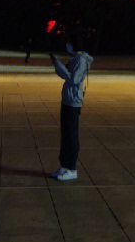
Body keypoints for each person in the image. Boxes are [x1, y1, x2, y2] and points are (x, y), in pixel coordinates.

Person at [49, 38, 93, 181]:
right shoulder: (76, 58)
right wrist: (60, 63)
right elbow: (67, 73)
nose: (68, 46)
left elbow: (73, 79)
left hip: (73, 102)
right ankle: (64, 166)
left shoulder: (81, 60)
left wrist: (58, 64)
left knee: (71, 136)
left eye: (70, 44)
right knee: (65, 134)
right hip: (67, 100)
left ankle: (71, 168)